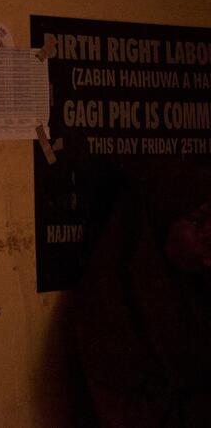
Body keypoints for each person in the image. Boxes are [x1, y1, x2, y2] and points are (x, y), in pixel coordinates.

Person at [74, 162, 211, 427]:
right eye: (197, 221)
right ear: (158, 222)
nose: (209, 234)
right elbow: (126, 411)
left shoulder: (197, 286)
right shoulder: (112, 302)